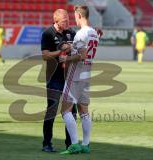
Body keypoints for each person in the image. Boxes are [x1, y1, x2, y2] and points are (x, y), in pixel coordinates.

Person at [59, 5, 99, 154]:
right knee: (84, 111)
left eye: (75, 16)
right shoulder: (94, 33)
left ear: (79, 16)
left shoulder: (81, 33)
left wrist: (66, 58)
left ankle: (75, 144)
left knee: (65, 110)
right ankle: (86, 144)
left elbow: (81, 55)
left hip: (75, 74)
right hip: (87, 74)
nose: (74, 19)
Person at [41, 9, 77, 152]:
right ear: (56, 21)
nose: (68, 23)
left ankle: (70, 144)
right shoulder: (48, 33)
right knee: (52, 110)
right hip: (54, 77)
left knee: (71, 112)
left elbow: (78, 50)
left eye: (68, 20)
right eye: (64, 21)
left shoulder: (71, 33)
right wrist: (62, 52)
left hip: (69, 78)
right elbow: (45, 55)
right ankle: (47, 143)